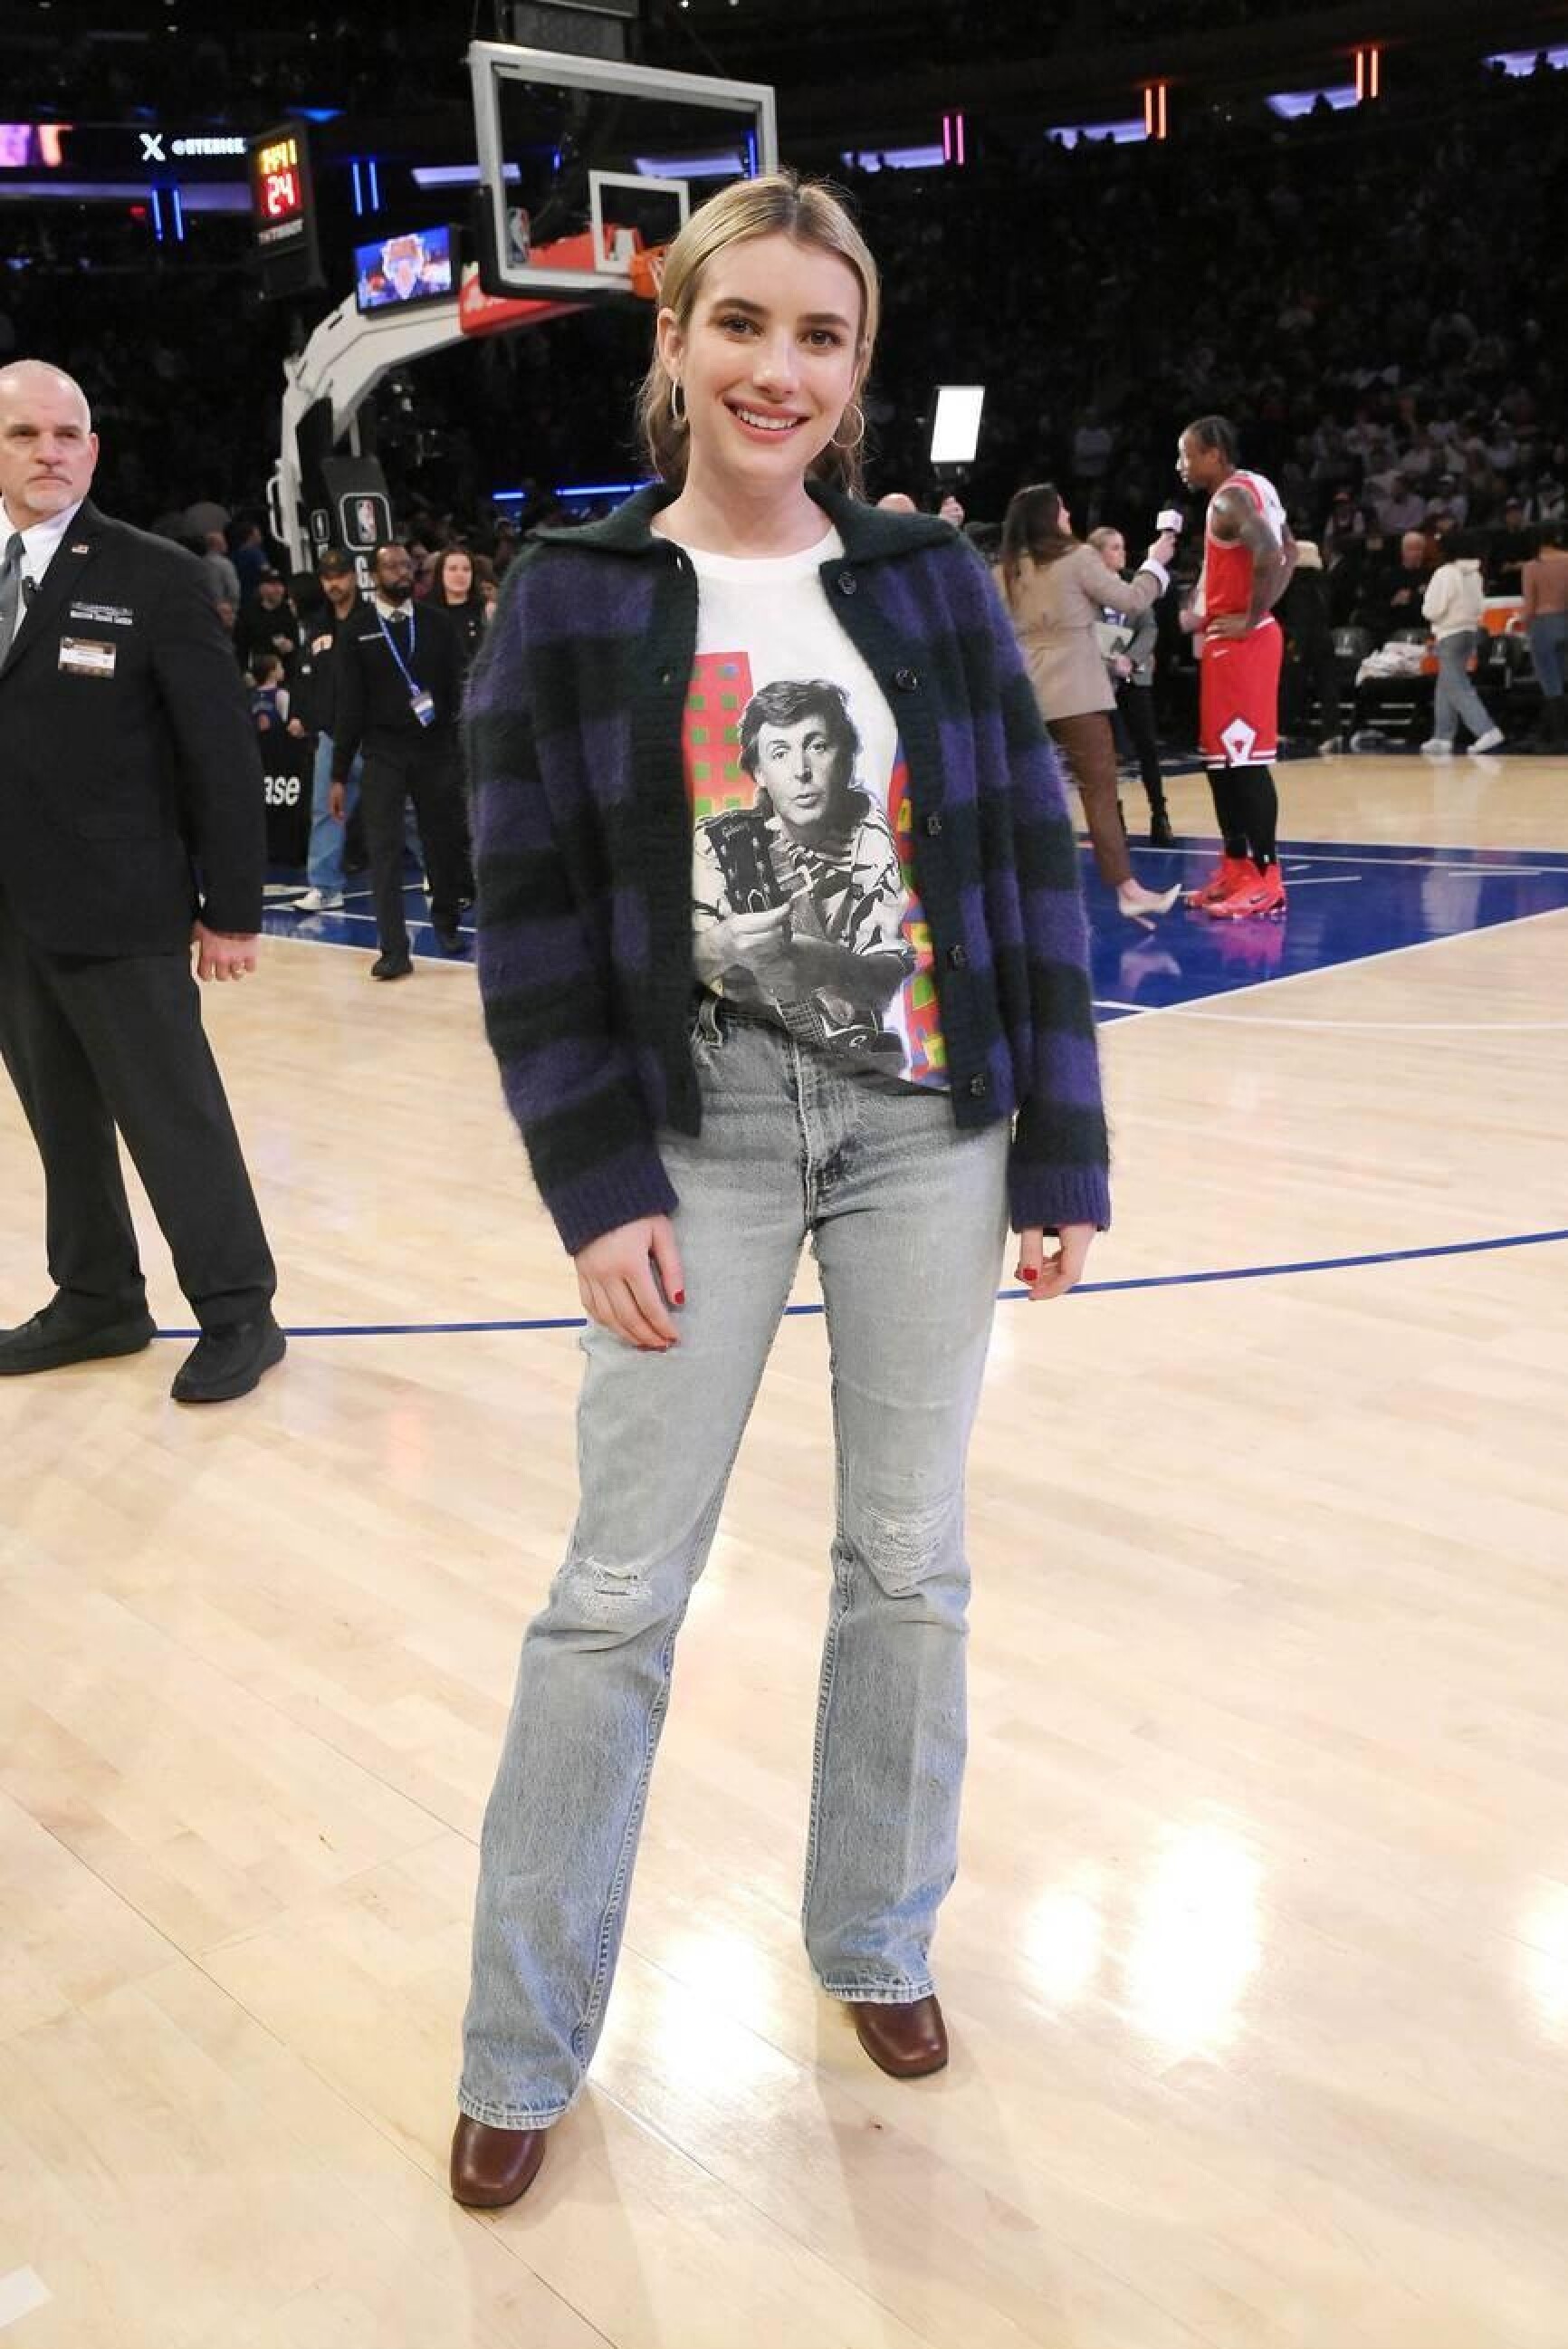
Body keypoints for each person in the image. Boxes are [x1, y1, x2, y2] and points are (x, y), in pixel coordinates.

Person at [451, 170, 1110, 2213]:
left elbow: (1024, 869)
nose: (778, 368)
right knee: (614, 1592)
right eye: (741, 324)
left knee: (907, 1562)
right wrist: (594, 1184)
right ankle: (520, 2040)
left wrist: (1061, 1145)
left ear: (856, 368)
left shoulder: (923, 582)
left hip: (929, 1123)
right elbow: (526, 911)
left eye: (820, 336)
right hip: (697, 1131)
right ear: (673, 340)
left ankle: (876, 1935)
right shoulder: (573, 592)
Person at [0, 359, 284, 1403]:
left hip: (125, 906)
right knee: (60, 1121)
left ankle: (240, 1310)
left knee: (174, 1117)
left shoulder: (154, 574)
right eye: (25, 434)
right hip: (12, 914)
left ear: (94, 450)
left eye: (66, 434)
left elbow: (222, 755)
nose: (49, 452)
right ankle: (98, 1298)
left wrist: (234, 909)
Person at [998, 483, 1180, 919]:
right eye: (1061, 510)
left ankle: (1021, 893)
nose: (1067, 517)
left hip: (1025, 696)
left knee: (1027, 798)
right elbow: (1132, 600)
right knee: (1099, 793)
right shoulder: (1078, 558)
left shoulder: (1003, 572)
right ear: (1047, 517)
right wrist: (1155, 563)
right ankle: (1127, 890)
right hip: (1078, 693)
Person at [328, 540, 470, 976]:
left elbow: (457, 686)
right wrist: (338, 774)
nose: (402, 573)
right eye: (391, 567)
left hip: (434, 749)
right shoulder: (357, 629)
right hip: (383, 751)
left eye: (407, 566)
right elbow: (349, 704)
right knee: (383, 849)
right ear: (374, 576)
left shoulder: (436, 623)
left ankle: (447, 922)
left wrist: (458, 745)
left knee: (441, 841)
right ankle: (393, 949)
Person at [1175, 416, 1296, 922]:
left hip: (1243, 643)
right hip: (1231, 640)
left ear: (1214, 454)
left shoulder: (1229, 499)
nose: (1181, 466)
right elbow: (1291, 550)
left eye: (1187, 455)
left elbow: (1271, 551)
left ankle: (1268, 879)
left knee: (1244, 763)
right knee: (1221, 761)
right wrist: (1258, 612)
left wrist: (1251, 615)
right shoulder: (1256, 486)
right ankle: (1237, 868)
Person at [1087, 523, 1174, 844]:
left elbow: (1149, 627)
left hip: (1134, 676)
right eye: (1115, 548)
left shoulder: (1132, 586)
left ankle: (1159, 813)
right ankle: (1114, 817)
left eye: (1122, 547)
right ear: (1098, 555)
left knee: (1147, 746)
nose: (1122, 553)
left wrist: (1132, 659)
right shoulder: (1087, 592)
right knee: (1106, 753)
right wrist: (1110, 659)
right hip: (1100, 678)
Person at [289, 546, 363, 915]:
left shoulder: (372, 619)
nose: (335, 584)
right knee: (325, 809)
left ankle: (440, 874)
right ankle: (325, 886)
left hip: (375, 732)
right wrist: (303, 714)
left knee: (408, 808)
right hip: (333, 733)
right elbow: (307, 675)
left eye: (340, 576)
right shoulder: (318, 625)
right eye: (328, 578)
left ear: (354, 576)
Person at [1420, 532, 1504, 755]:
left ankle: (1487, 730)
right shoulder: (1475, 574)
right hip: (1469, 631)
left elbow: (1433, 609)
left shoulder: (1444, 573)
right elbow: (1479, 605)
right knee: (1446, 683)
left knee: (1456, 685)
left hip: (1449, 633)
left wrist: (1427, 610)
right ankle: (1442, 736)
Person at [1520, 522, 1568, 751]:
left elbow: (1530, 604)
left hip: (1543, 624)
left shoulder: (1532, 567)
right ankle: (1546, 734)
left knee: (1551, 683)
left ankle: (1559, 738)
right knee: (1563, 679)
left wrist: (1525, 624)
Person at [431, 542, 491, 667]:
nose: (460, 574)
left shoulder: (487, 610)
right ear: (440, 573)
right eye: (453, 569)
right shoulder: (427, 612)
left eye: (466, 569)